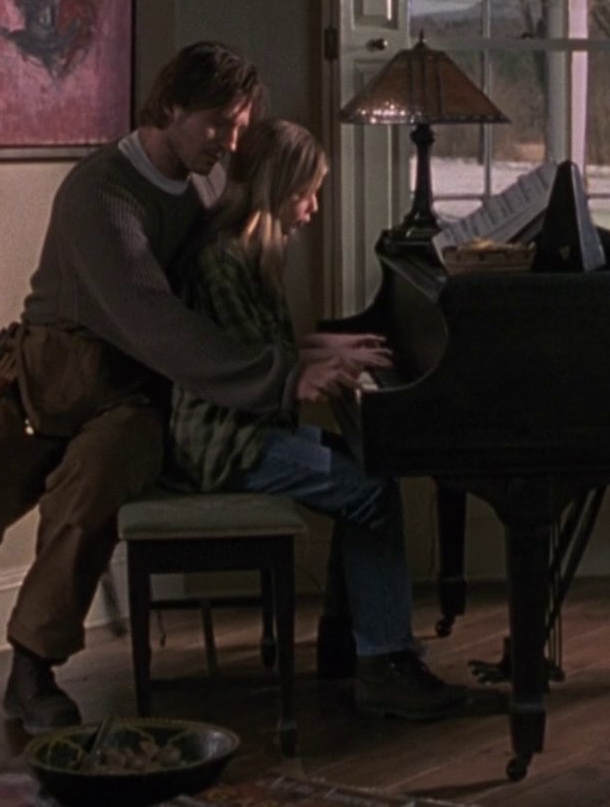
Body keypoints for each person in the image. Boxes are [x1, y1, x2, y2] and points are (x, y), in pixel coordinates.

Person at [0, 42, 376, 732]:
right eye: (219, 123)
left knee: (87, 503)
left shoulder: (204, 188)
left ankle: (32, 671)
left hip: (132, 398)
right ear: (171, 107)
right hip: (42, 380)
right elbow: (153, 319)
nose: (231, 142)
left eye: (239, 126)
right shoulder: (100, 192)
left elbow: (204, 320)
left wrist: (303, 353)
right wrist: (286, 377)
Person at [165, 119, 470, 721]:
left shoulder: (243, 248)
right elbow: (249, 371)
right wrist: (315, 365)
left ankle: (345, 639)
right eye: (307, 193)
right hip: (224, 441)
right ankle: (383, 662)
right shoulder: (223, 259)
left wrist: (330, 348)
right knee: (369, 491)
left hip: (244, 430)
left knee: (367, 464)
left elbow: (257, 350)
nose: (313, 208)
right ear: (278, 187)